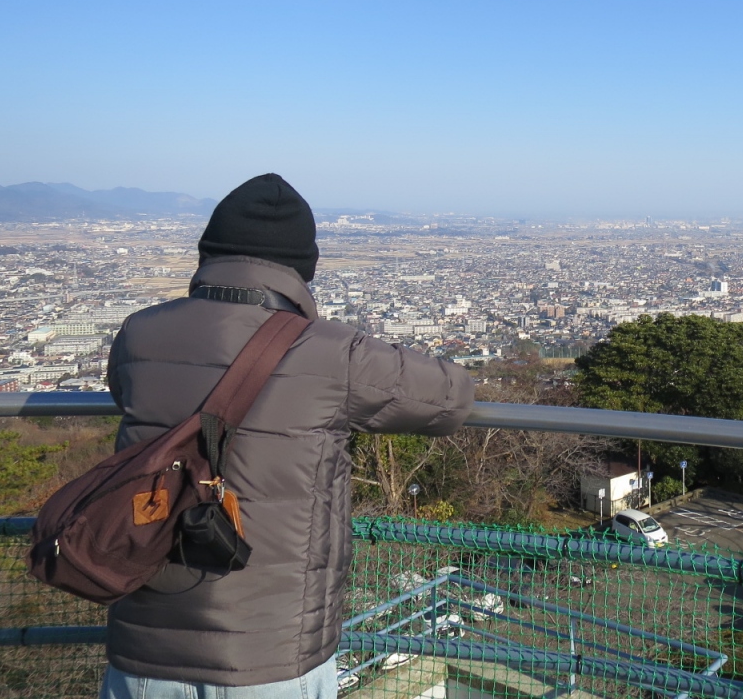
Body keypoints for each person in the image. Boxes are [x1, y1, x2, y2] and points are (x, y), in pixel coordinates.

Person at [101, 174, 474, 698]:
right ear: (302, 269)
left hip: (144, 651)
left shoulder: (138, 332)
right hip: (271, 652)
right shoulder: (330, 351)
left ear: (209, 253)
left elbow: (123, 392)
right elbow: (451, 398)